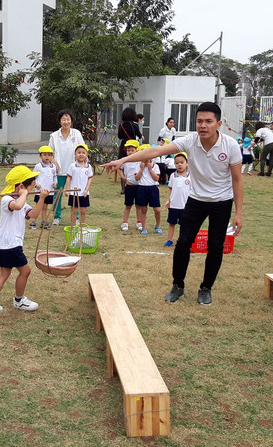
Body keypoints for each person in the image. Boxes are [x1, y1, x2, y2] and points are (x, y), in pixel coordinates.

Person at [104, 102, 244, 306]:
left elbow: (237, 180)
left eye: (208, 121)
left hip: (221, 202)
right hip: (195, 199)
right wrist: (123, 161)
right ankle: (177, 285)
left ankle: (206, 288)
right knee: (184, 242)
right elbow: (154, 152)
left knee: (215, 246)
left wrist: (238, 213)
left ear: (218, 123)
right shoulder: (189, 141)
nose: (203, 126)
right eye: (199, 121)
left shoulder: (230, 146)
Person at [0, 166, 49, 315]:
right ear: (21, 186)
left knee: (4, 273)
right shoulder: (7, 199)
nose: (33, 187)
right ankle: (19, 300)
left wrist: (42, 198)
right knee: (25, 271)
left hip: (7, 244)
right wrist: (24, 193)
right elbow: (17, 206)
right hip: (10, 244)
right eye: (31, 185)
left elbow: (33, 215)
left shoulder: (20, 199)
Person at [48, 110, 84, 226]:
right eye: (63, 119)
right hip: (59, 171)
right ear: (60, 121)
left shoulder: (76, 134)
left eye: (68, 119)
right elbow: (50, 153)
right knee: (57, 193)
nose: (66, 122)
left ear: (71, 121)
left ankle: (76, 217)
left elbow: (82, 149)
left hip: (74, 170)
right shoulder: (54, 136)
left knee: (75, 194)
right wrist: (55, 164)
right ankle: (57, 217)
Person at [163, 152, 191, 247]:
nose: (179, 164)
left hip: (185, 206)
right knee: (172, 223)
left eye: (182, 162)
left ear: (186, 163)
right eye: (177, 163)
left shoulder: (190, 176)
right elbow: (170, 189)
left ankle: (182, 240)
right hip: (174, 205)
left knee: (184, 225)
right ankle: (169, 240)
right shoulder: (172, 176)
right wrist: (168, 200)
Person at [134, 144, 162, 236]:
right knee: (143, 209)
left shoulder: (155, 166)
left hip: (153, 188)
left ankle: (158, 226)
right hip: (142, 188)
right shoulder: (138, 166)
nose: (146, 159)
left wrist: (150, 169)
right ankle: (144, 227)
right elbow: (137, 178)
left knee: (157, 209)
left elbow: (156, 178)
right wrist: (142, 169)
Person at [29, 146, 57, 230]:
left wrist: (55, 183)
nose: (47, 157)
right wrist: (36, 184)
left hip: (49, 191)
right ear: (40, 156)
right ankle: (33, 221)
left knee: (45, 207)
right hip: (40, 191)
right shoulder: (38, 166)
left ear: (52, 156)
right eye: (45, 155)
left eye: (49, 155)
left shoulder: (53, 167)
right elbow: (33, 177)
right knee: (38, 206)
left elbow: (55, 177)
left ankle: (44, 222)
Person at [65, 144, 94, 225]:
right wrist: (67, 190)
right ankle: (73, 226)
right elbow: (69, 178)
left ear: (86, 154)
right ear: (75, 154)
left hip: (84, 193)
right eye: (79, 152)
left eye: (83, 153)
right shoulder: (72, 166)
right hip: (74, 192)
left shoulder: (88, 167)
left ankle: (82, 226)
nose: (81, 154)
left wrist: (86, 190)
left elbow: (90, 178)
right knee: (74, 210)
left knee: (83, 210)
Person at [119, 140, 141, 232]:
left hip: (139, 186)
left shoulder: (140, 161)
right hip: (129, 186)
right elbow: (119, 168)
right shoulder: (125, 161)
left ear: (136, 150)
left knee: (139, 205)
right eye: (128, 150)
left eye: (132, 150)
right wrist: (123, 177)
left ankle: (139, 222)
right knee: (128, 205)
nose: (130, 152)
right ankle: (125, 222)